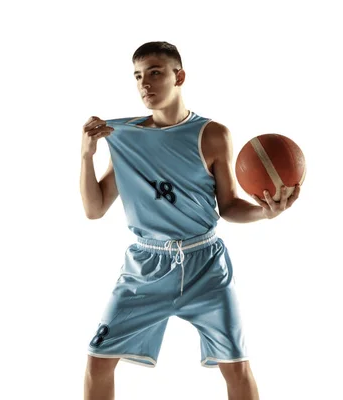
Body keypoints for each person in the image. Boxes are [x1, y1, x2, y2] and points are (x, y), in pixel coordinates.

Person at [79, 41, 300, 400]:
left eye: (154, 72)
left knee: (237, 366)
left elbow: (227, 206)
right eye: (137, 76)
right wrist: (86, 156)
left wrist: (265, 211)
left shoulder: (213, 135)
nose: (144, 84)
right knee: (98, 358)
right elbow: (94, 208)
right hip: (145, 267)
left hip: (206, 265)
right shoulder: (124, 137)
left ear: (178, 76)